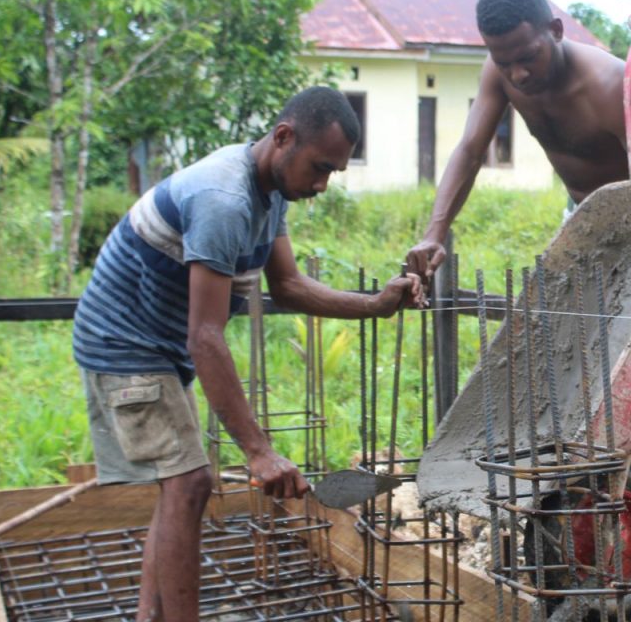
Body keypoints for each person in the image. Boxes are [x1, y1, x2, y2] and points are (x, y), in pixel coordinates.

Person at [73, 87, 423, 621]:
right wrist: (259, 452)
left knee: (180, 488)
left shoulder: (270, 190)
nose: (322, 185)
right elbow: (205, 336)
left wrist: (374, 305)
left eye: (333, 173)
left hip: (159, 348)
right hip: (124, 344)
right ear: (283, 137)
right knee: (190, 484)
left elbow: (288, 285)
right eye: (319, 167)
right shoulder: (224, 200)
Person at [403, 0, 631, 484]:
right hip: (583, 223)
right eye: (504, 61)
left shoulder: (610, 86)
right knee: (570, 357)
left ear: (555, 31)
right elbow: (470, 150)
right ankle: (584, 483)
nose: (518, 73)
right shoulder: (502, 72)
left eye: (527, 57)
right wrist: (434, 232)